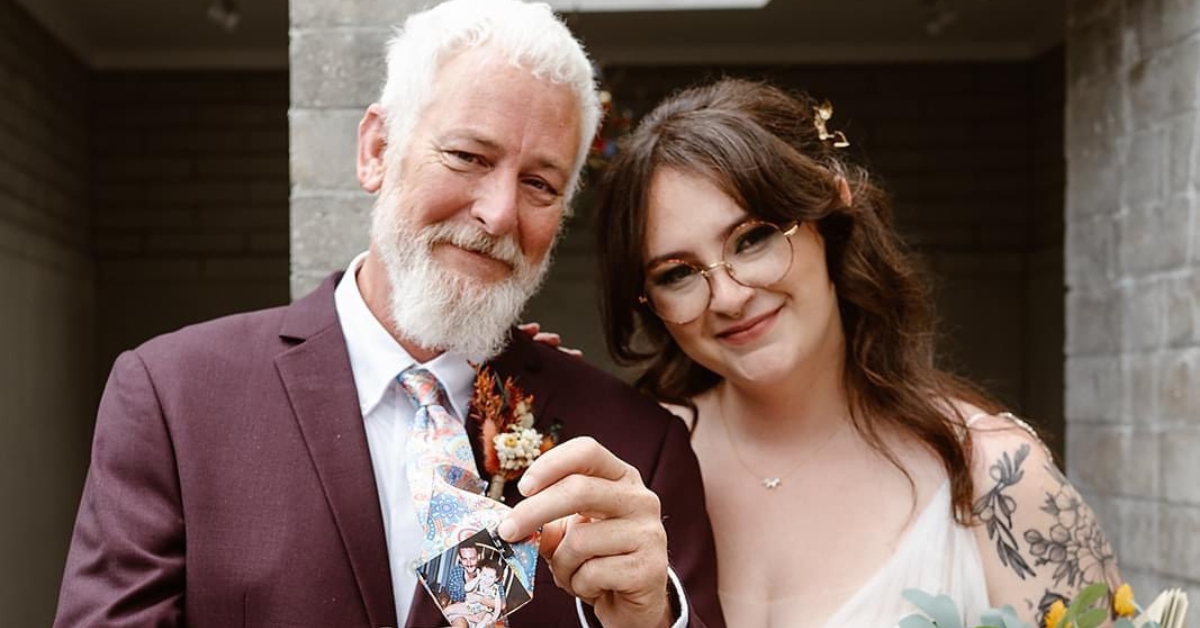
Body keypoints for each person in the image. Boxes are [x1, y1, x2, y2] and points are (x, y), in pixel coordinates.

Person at [51, 2, 723, 628]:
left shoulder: (636, 451)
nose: (497, 213)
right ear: (376, 149)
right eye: (467, 156)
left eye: (539, 184)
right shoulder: (175, 396)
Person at [579, 78, 1122, 627]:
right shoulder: (635, 470)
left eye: (753, 239)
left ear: (829, 221)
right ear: (649, 302)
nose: (730, 296)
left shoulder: (999, 476)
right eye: (678, 273)